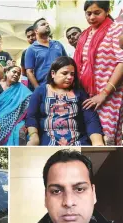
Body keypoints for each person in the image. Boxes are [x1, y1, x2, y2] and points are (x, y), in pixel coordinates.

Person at [74, 0, 123, 145]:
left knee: (107, 139)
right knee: (89, 137)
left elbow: (122, 61)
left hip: (109, 95)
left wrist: (103, 94)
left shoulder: (116, 29)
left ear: (107, 11)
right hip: (86, 94)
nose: (91, 17)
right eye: (88, 13)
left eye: (97, 13)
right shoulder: (85, 34)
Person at [26, 56, 104, 146]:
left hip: (78, 141)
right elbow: (31, 117)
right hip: (48, 141)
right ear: (53, 73)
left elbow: (90, 119)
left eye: (72, 74)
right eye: (65, 73)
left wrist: (97, 142)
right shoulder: (41, 91)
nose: (69, 77)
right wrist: (34, 137)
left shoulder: (79, 93)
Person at [0, 66, 32, 146]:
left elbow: (30, 100)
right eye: (14, 72)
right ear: (7, 72)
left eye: (18, 74)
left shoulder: (22, 89)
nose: (16, 74)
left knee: (19, 134)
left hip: (17, 120)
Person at [25, 18, 67, 89]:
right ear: (36, 31)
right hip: (44, 87)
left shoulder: (58, 44)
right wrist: (38, 89)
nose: (47, 25)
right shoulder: (31, 49)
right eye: (43, 24)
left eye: (47, 24)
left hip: (62, 86)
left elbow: (67, 63)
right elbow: (29, 72)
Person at [21, 26, 36, 91]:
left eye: (33, 35)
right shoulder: (25, 53)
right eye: (28, 37)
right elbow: (24, 73)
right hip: (31, 87)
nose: (31, 38)